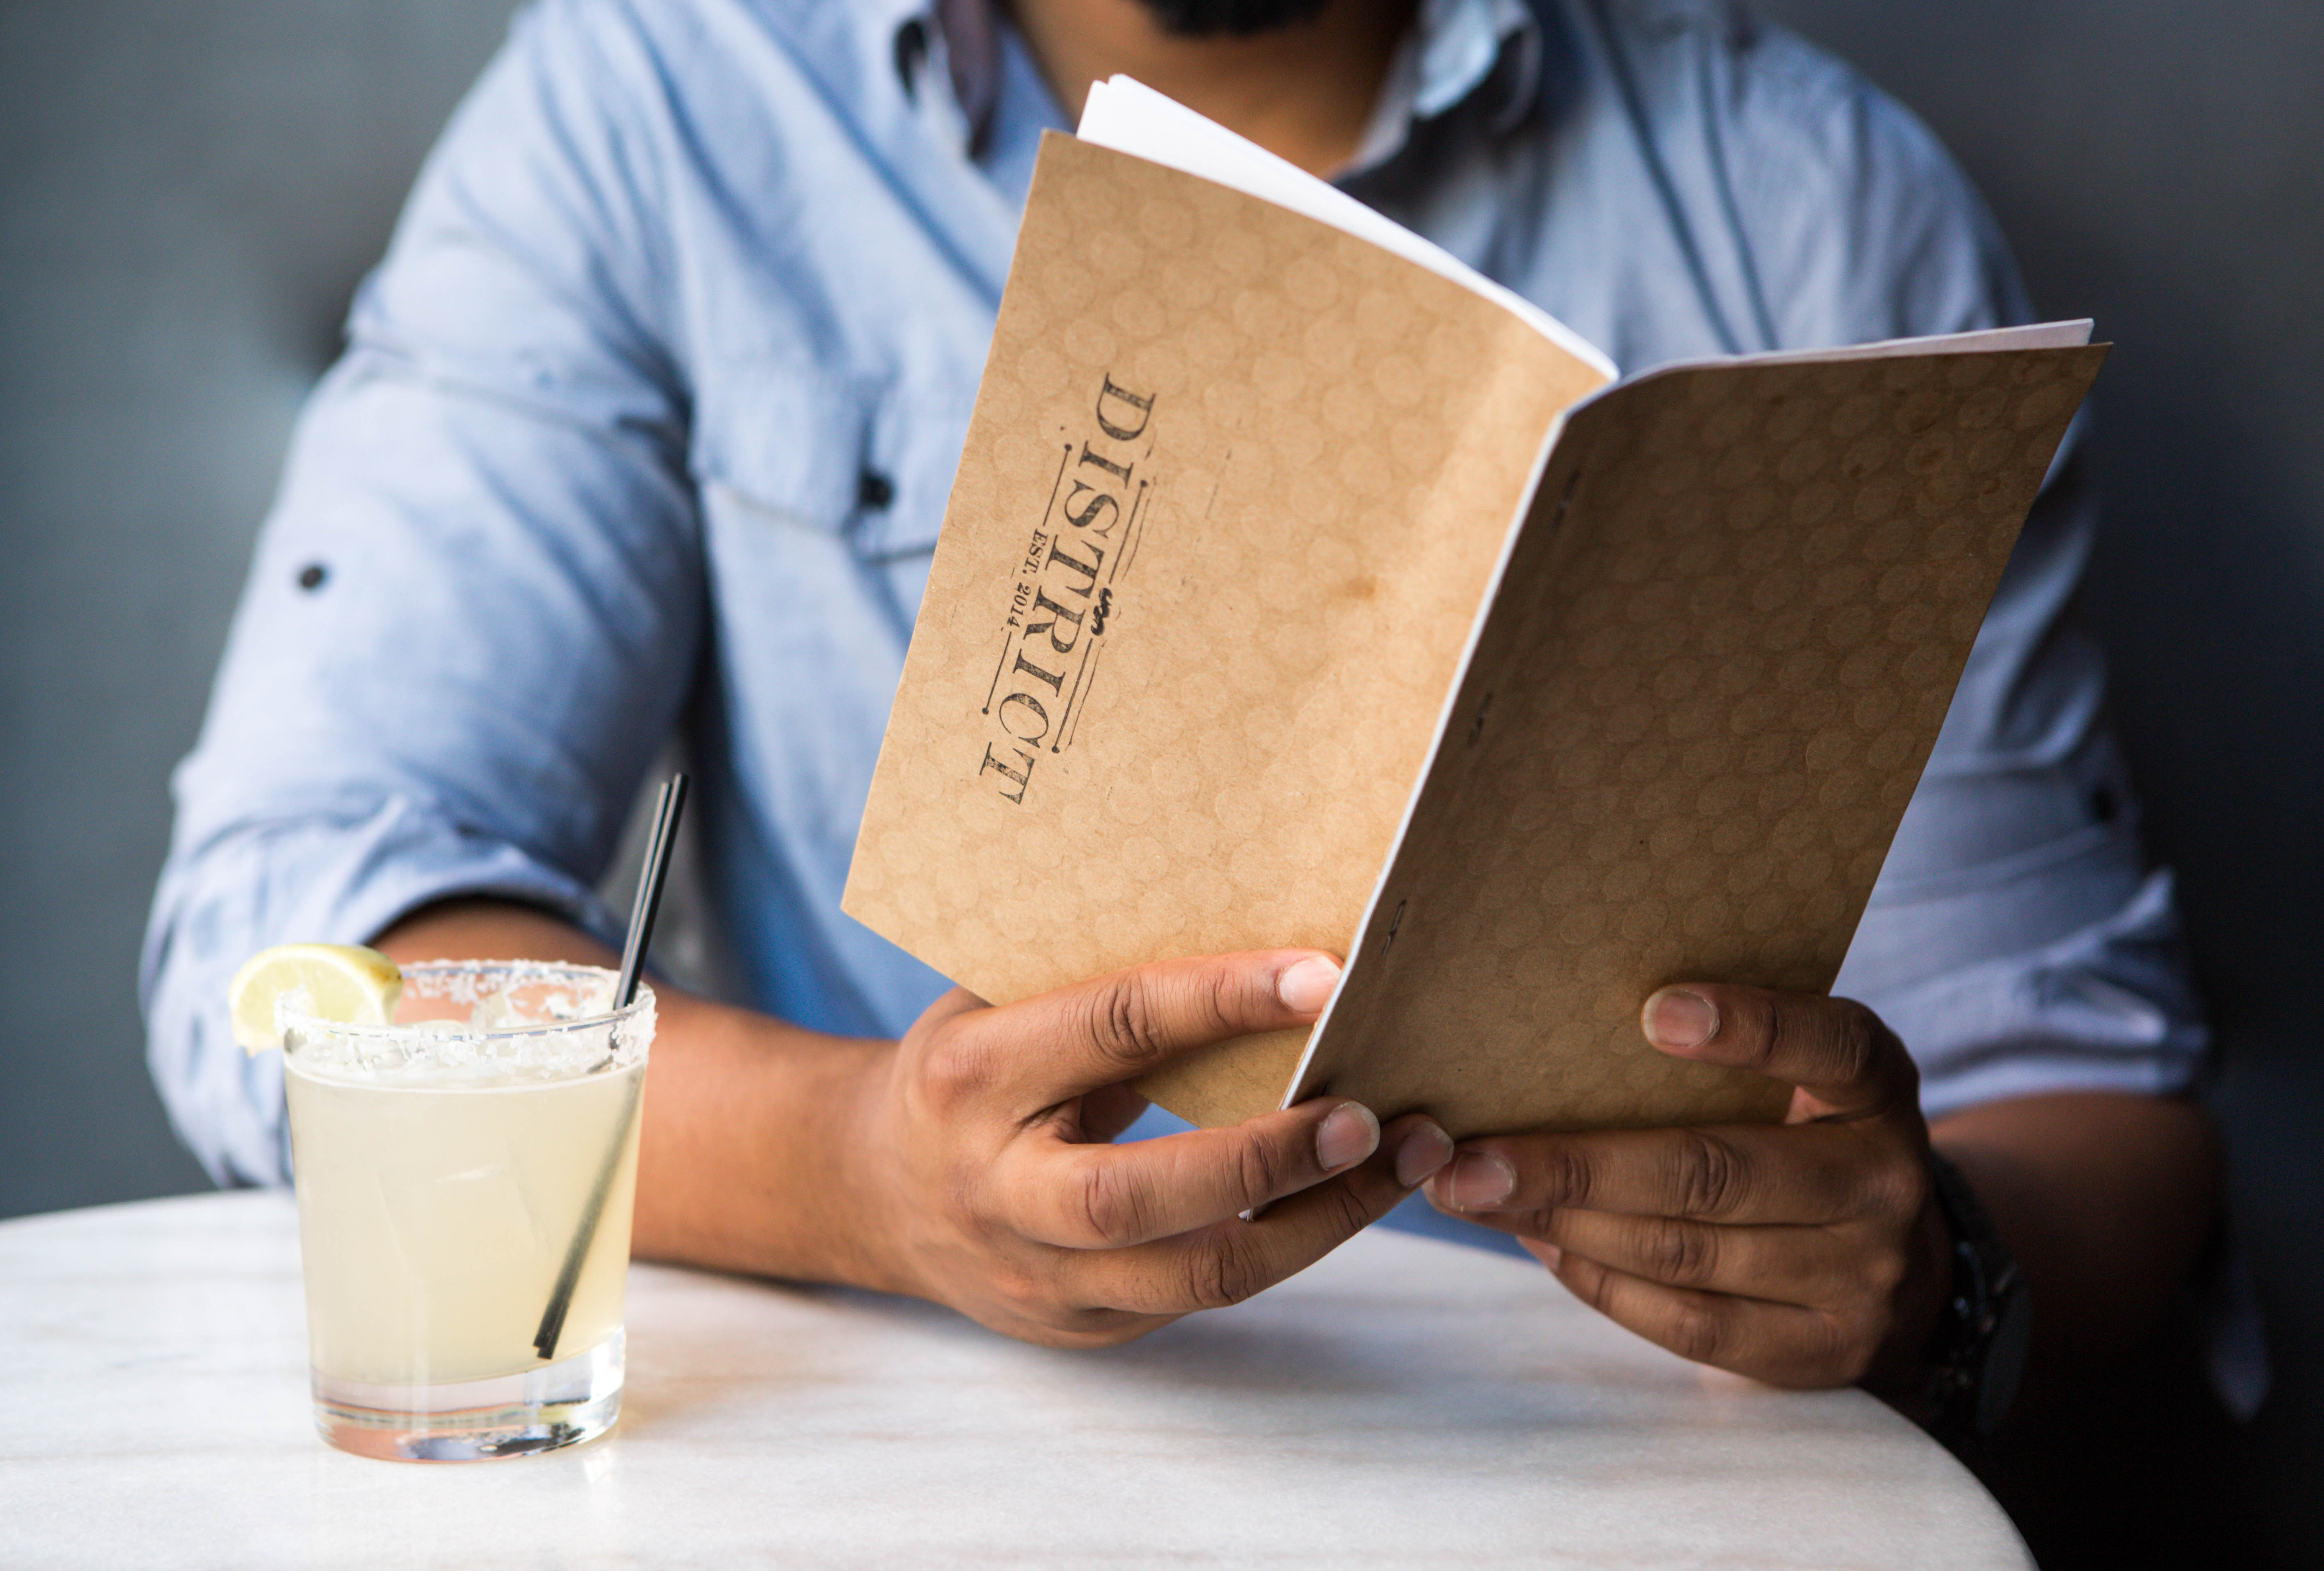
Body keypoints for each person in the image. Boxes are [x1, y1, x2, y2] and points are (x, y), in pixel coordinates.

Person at [143, 0, 2218, 1432]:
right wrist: (862, 1171)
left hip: (1622, 1480)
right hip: (902, 1457)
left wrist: (1925, 1263)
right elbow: (307, 948)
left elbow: (2102, 1125)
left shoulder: (1806, 203)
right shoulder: (664, 112)